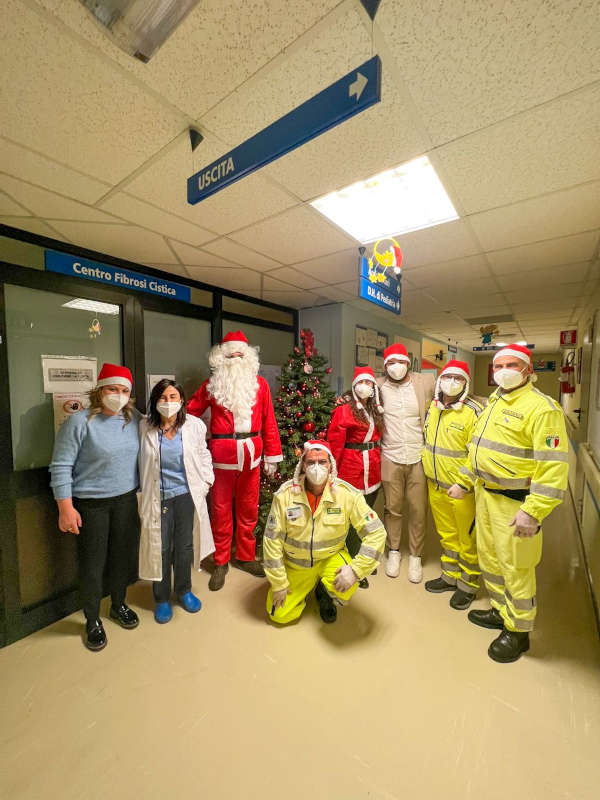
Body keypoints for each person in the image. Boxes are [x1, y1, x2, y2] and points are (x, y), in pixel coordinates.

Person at [448, 344, 568, 663]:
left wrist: (534, 511)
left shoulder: (543, 409)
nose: (503, 371)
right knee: (491, 560)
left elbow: (553, 467)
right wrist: (463, 481)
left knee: (516, 568)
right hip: (486, 496)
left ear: (528, 370)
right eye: (498, 366)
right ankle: (501, 612)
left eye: (511, 365)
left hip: (516, 505)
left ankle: (518, 632)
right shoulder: (494, 402)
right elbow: (478, 449)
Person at [49, 364, 141, 652]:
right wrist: (65, 507)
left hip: (126, 500)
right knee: (93, 565)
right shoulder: (80, 422)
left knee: (122, 558)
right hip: (91, 505)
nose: (118, 395)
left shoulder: (134, 419)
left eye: (124, 391)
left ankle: (118, 604)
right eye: (113, 389)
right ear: (100, 390)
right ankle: (92, 619)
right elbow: (61, 465)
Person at [188, 330, 282, 591]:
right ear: (221, 358)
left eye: (240, 356)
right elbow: (191, 413)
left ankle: (245, 556)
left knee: (249, 508)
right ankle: (221, 560)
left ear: (248, 357)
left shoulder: (260, 385)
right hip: (222, 457)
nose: (236, 360)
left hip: (252, 454)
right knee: (220, 510)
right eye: (231, 356)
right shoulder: (212, 385)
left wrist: (272, 455)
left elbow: (269, 421)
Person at [262, 440, 385, 624]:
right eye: (311, 462)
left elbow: (377, 532)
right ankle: (305, 589)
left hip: (330, 558)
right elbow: (271, 541)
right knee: (279, 615)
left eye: (322, 462)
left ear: (330, 465)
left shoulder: (346, 494)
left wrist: (356, 570)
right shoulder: (285, 496)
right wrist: (279, 583)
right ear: (303, 465)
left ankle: (324, 591)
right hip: (297, 565)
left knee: (349, 585)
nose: (316, 467)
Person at [138, 379, 215, 623]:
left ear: (182, 400)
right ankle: (161, 598)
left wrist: (206, 482)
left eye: (173, 397)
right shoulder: (144, 427)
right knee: (160, 548)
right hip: (158, 498)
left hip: (186, 495)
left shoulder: (194, 425)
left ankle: (183, 590)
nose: (168, 402)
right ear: (155, 401)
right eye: (163, 397)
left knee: (184, 547)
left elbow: (203, 454)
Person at [422, 360, 484, 609]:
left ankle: (467, 586)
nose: (452, 382)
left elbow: (477, 454)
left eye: (458, 379)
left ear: (466, 383)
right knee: (447, 535)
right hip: (435, 485)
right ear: (440, 380)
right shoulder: (433, 407)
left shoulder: (473, 411)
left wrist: (463, 483)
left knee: (467, 538)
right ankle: (450, 576)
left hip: (461, 489)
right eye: (448, 377)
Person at [377, 343, 435, 583]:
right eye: (391, 363)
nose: (396, 366)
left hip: (418, 456)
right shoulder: (378, 385)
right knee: (392, 508)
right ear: (385, 366)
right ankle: (393, 551)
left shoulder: (426, 382)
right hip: (390, 455)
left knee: (418, 509)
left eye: (400, 362)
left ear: (408, 363)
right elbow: (357, 396)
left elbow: (456, 393)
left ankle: (415, 556)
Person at [327, 366, 384, 588]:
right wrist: (332, 473)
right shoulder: (343, 410)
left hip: (373, 468)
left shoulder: (376, 408)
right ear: (354, 385)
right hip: (351, 467)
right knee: (351, 519)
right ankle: (353, 561)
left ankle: (365, 557)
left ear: (374, 387)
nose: (365, 386)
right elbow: (335, 444)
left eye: (369, 383)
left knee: (367, 515)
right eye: (361, 382)